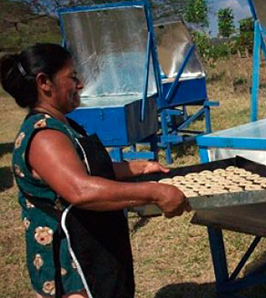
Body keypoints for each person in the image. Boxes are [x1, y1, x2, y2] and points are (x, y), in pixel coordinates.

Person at [0, 43, 190, 298]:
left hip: (94, 248)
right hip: (73, 266)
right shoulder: (44, 136)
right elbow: (81, 190)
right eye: (71, 77)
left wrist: (138, 167)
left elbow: (89, 167)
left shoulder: (63, 124)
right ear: (45, 82)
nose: (79, 85)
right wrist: (155, 193)